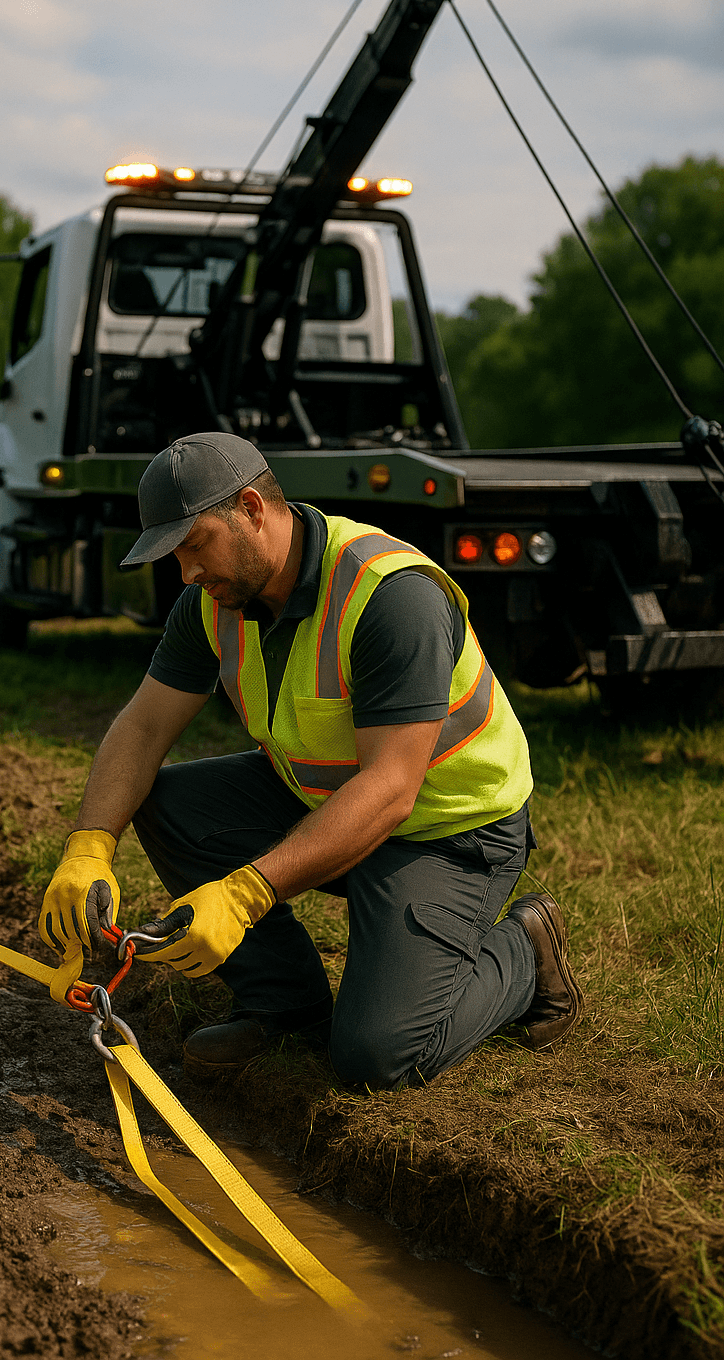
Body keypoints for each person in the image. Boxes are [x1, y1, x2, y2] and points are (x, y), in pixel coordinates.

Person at [39, 433, 582, 1089]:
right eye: (173, 556)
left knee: (379, 1055)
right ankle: (285, 1007)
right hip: (329, 802)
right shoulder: (215, 603)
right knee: (166, 804)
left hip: (449, 831)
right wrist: (90, 846)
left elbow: (389, 790)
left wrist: (243, 894)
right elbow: (144, 726)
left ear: (251, 508)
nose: (186, 574)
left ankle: (527, 951)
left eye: (194, 545)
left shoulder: (390, 596)